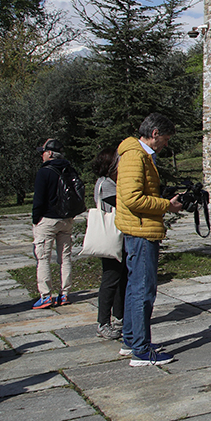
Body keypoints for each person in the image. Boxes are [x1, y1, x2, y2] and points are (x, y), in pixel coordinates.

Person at [115, 113, 183, 367]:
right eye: (165, 140)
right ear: (154, 134)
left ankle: (132, 340)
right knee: (143, 291)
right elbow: (132, 198)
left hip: (140, 229)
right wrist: (167, 205)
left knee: (135, 288)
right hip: (141, 231)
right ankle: (141, 351)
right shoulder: (135, 155)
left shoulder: (139, 155)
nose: (165, 145)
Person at [31, 138, 84, 309]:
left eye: (43, 152)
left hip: (47, 219)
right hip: (66, 219)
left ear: (49, 153)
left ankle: (46, 295)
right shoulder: (70, 169)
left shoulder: (44, 172)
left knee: (43, 258)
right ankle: (65, 293)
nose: (41, 156)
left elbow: (38, 199)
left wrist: (36, 219)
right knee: (65, 257)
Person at [91, 146, 127, 340]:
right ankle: (103, 322)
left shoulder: (107, 182)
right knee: (111, 279)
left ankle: (119, 317)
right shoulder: (106, 184)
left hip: (116, 236)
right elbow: (123, 204)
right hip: (111, 237)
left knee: (120, 278)